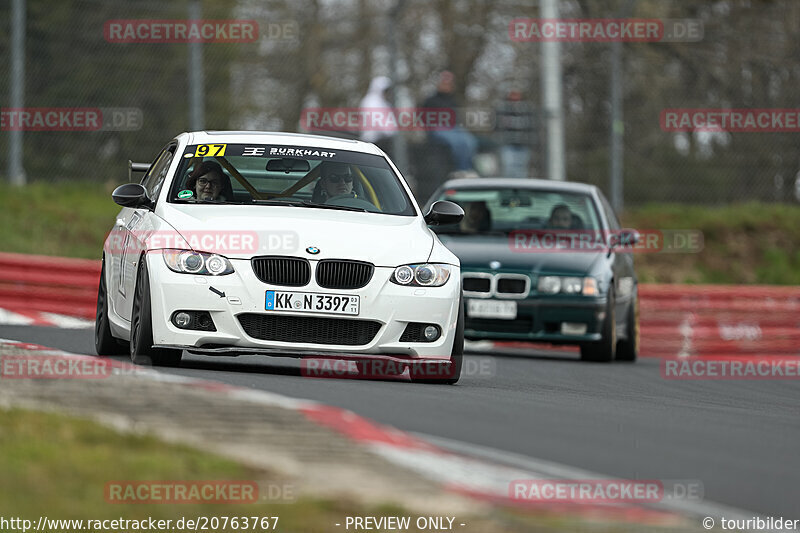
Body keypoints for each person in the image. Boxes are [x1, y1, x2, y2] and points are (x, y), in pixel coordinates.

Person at [422, 71, 478, 172]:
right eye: (444, 82)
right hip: (437, 128)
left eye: (449, 82)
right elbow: (424, 118)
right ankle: (460, 169)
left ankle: (468, 169)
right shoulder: (431, 100)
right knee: (456, 142)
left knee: (469, 141)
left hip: (453, 128)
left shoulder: (453, 101)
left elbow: (456, 118)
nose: (446, 85)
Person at [495, 89, 536, 179]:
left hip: (523, 145)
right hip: (507, 145)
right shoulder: (502, 108)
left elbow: (530, 125)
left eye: (517, 94)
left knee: (521, 172)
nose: (515, 97)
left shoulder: (527, 108)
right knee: (508, 170)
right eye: (512, 94)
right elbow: (498, 125)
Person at [359, 76, 397, 153]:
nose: (387, 93)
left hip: (383, 139)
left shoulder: (383, 102)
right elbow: (377, 121)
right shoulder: (371, 101)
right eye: (385, 91)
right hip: (373, 140)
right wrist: (390, 131)